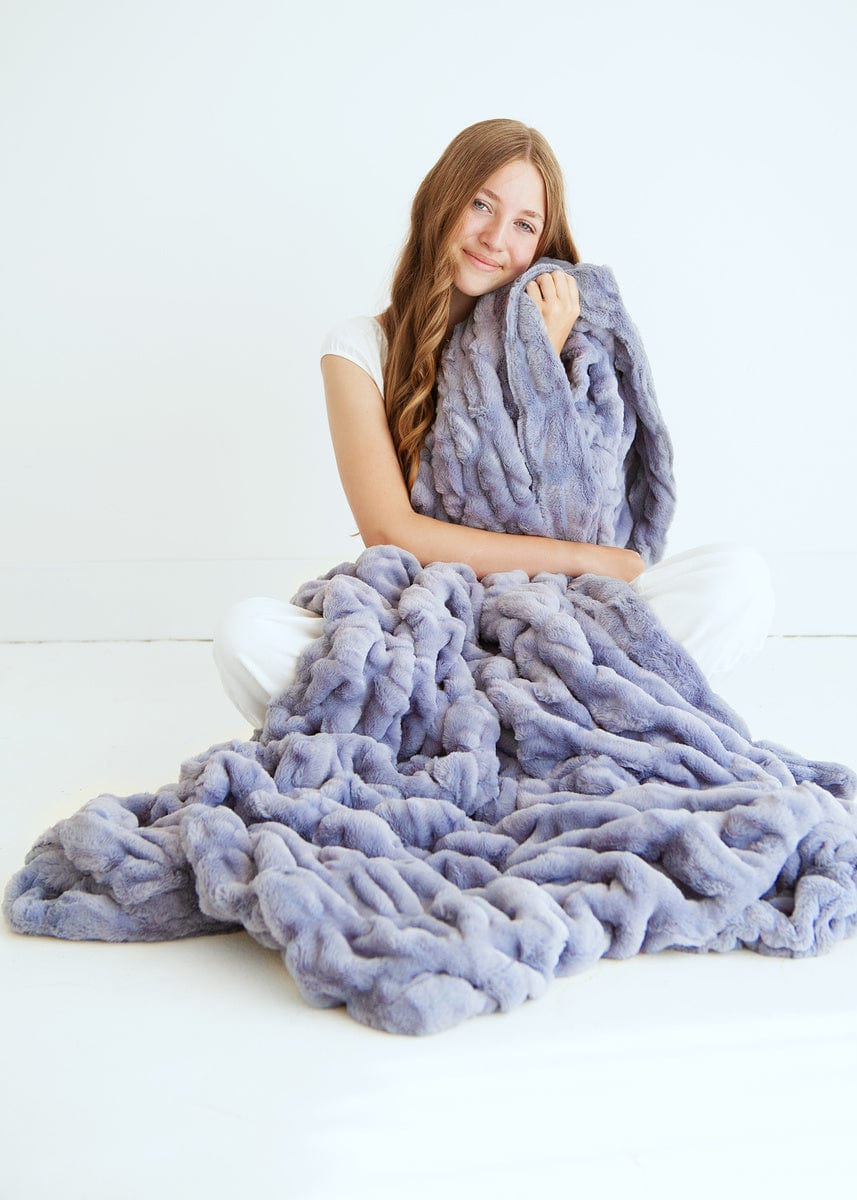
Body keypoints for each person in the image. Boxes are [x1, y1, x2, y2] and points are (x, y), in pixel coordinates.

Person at [213, 119, 775, 730]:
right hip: (431, 618)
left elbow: (586, 512)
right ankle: (547, 721)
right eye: (481, 203)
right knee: (248, 634)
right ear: (442, 200)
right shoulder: (358, 348)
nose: (494, 237)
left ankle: (493, 725)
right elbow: (391, 531)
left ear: (542, 244)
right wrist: (591, 562)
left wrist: (538, 367)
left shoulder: (568, 339)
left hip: (561, 615)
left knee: (738, 581)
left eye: (524, 224)